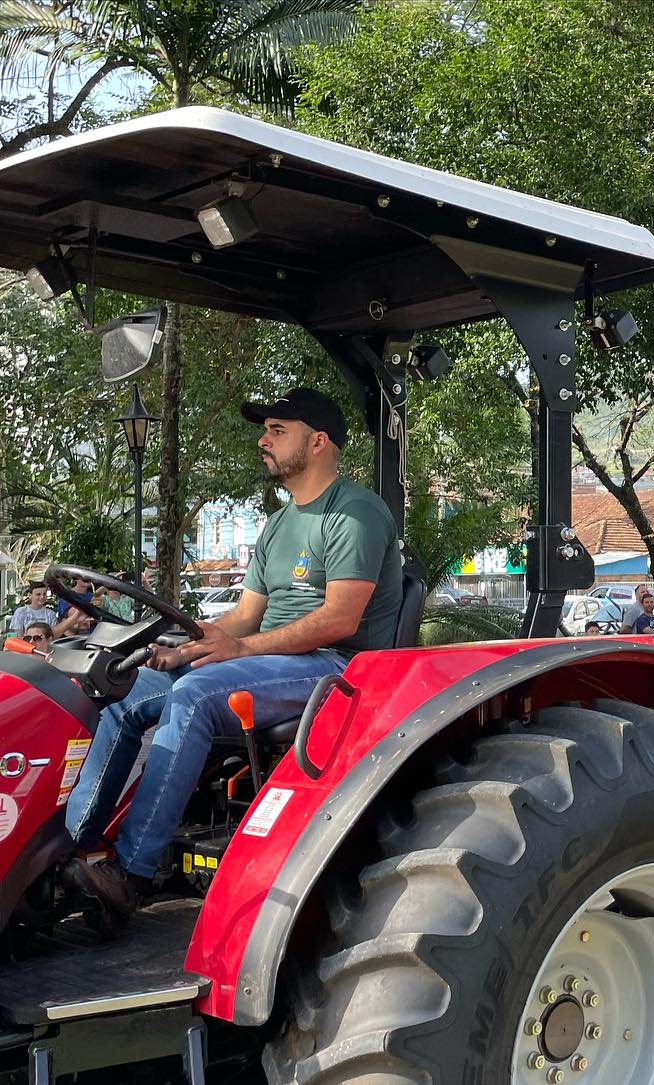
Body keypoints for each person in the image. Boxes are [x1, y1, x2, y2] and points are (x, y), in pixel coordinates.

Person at [62, 387, 403, 931]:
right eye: (263, 430)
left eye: (276, 430)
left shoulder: (356, 511)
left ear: (317, 442)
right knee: (129, 693)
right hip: (273, 661)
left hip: (337, 667)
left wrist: (238, 649)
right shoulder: (278, 525)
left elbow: (340, 620)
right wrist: (187, 646)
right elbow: (243, 619)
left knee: (193, 697)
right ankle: (75, 849)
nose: (262, 441)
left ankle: (130, 873)